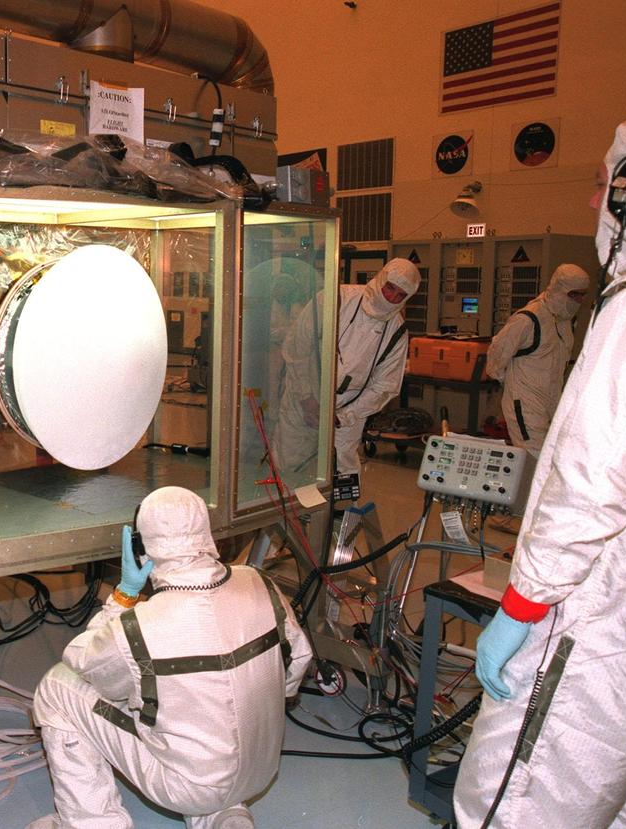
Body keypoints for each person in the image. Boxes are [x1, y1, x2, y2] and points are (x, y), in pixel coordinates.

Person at [454, 112, 626, 828]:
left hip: (607, 617)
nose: (593, 202)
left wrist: (522, 605)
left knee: (512, 798)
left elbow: (587, 489)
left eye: (603, 184)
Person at [27, 486, 312, 829]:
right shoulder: (260, 583)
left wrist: (124, 594)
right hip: (261, 768)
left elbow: (83, 662)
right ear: (207, 534)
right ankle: (223, 815)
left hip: (188, 787)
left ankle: (91, 822)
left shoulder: (138, 628)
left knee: (57, 687)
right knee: (213, 708)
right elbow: (298, 660)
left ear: (142, 548)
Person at [272, 258, 420, 479]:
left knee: (343, 474)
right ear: (380, 279)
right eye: (390, 288)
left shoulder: (396, 331)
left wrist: (346, 415)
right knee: (290, 464)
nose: (391, 298)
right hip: (303, 398)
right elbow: (297, 348)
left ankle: (337, 513)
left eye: (400, 295)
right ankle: (289, 512)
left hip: (348, 413)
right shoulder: (336, 299)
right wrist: (306, 397)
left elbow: (385, 386)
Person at [485, 263, 590, 458]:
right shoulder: (529, 319)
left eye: (583, 295)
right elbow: (498, 352)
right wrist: (505, 379)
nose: (579, 300)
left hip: (551, 399)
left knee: (552, 456)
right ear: (560, 289)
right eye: (574, 294)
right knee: (534, 458)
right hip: (525, 402)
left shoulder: (564, 321)